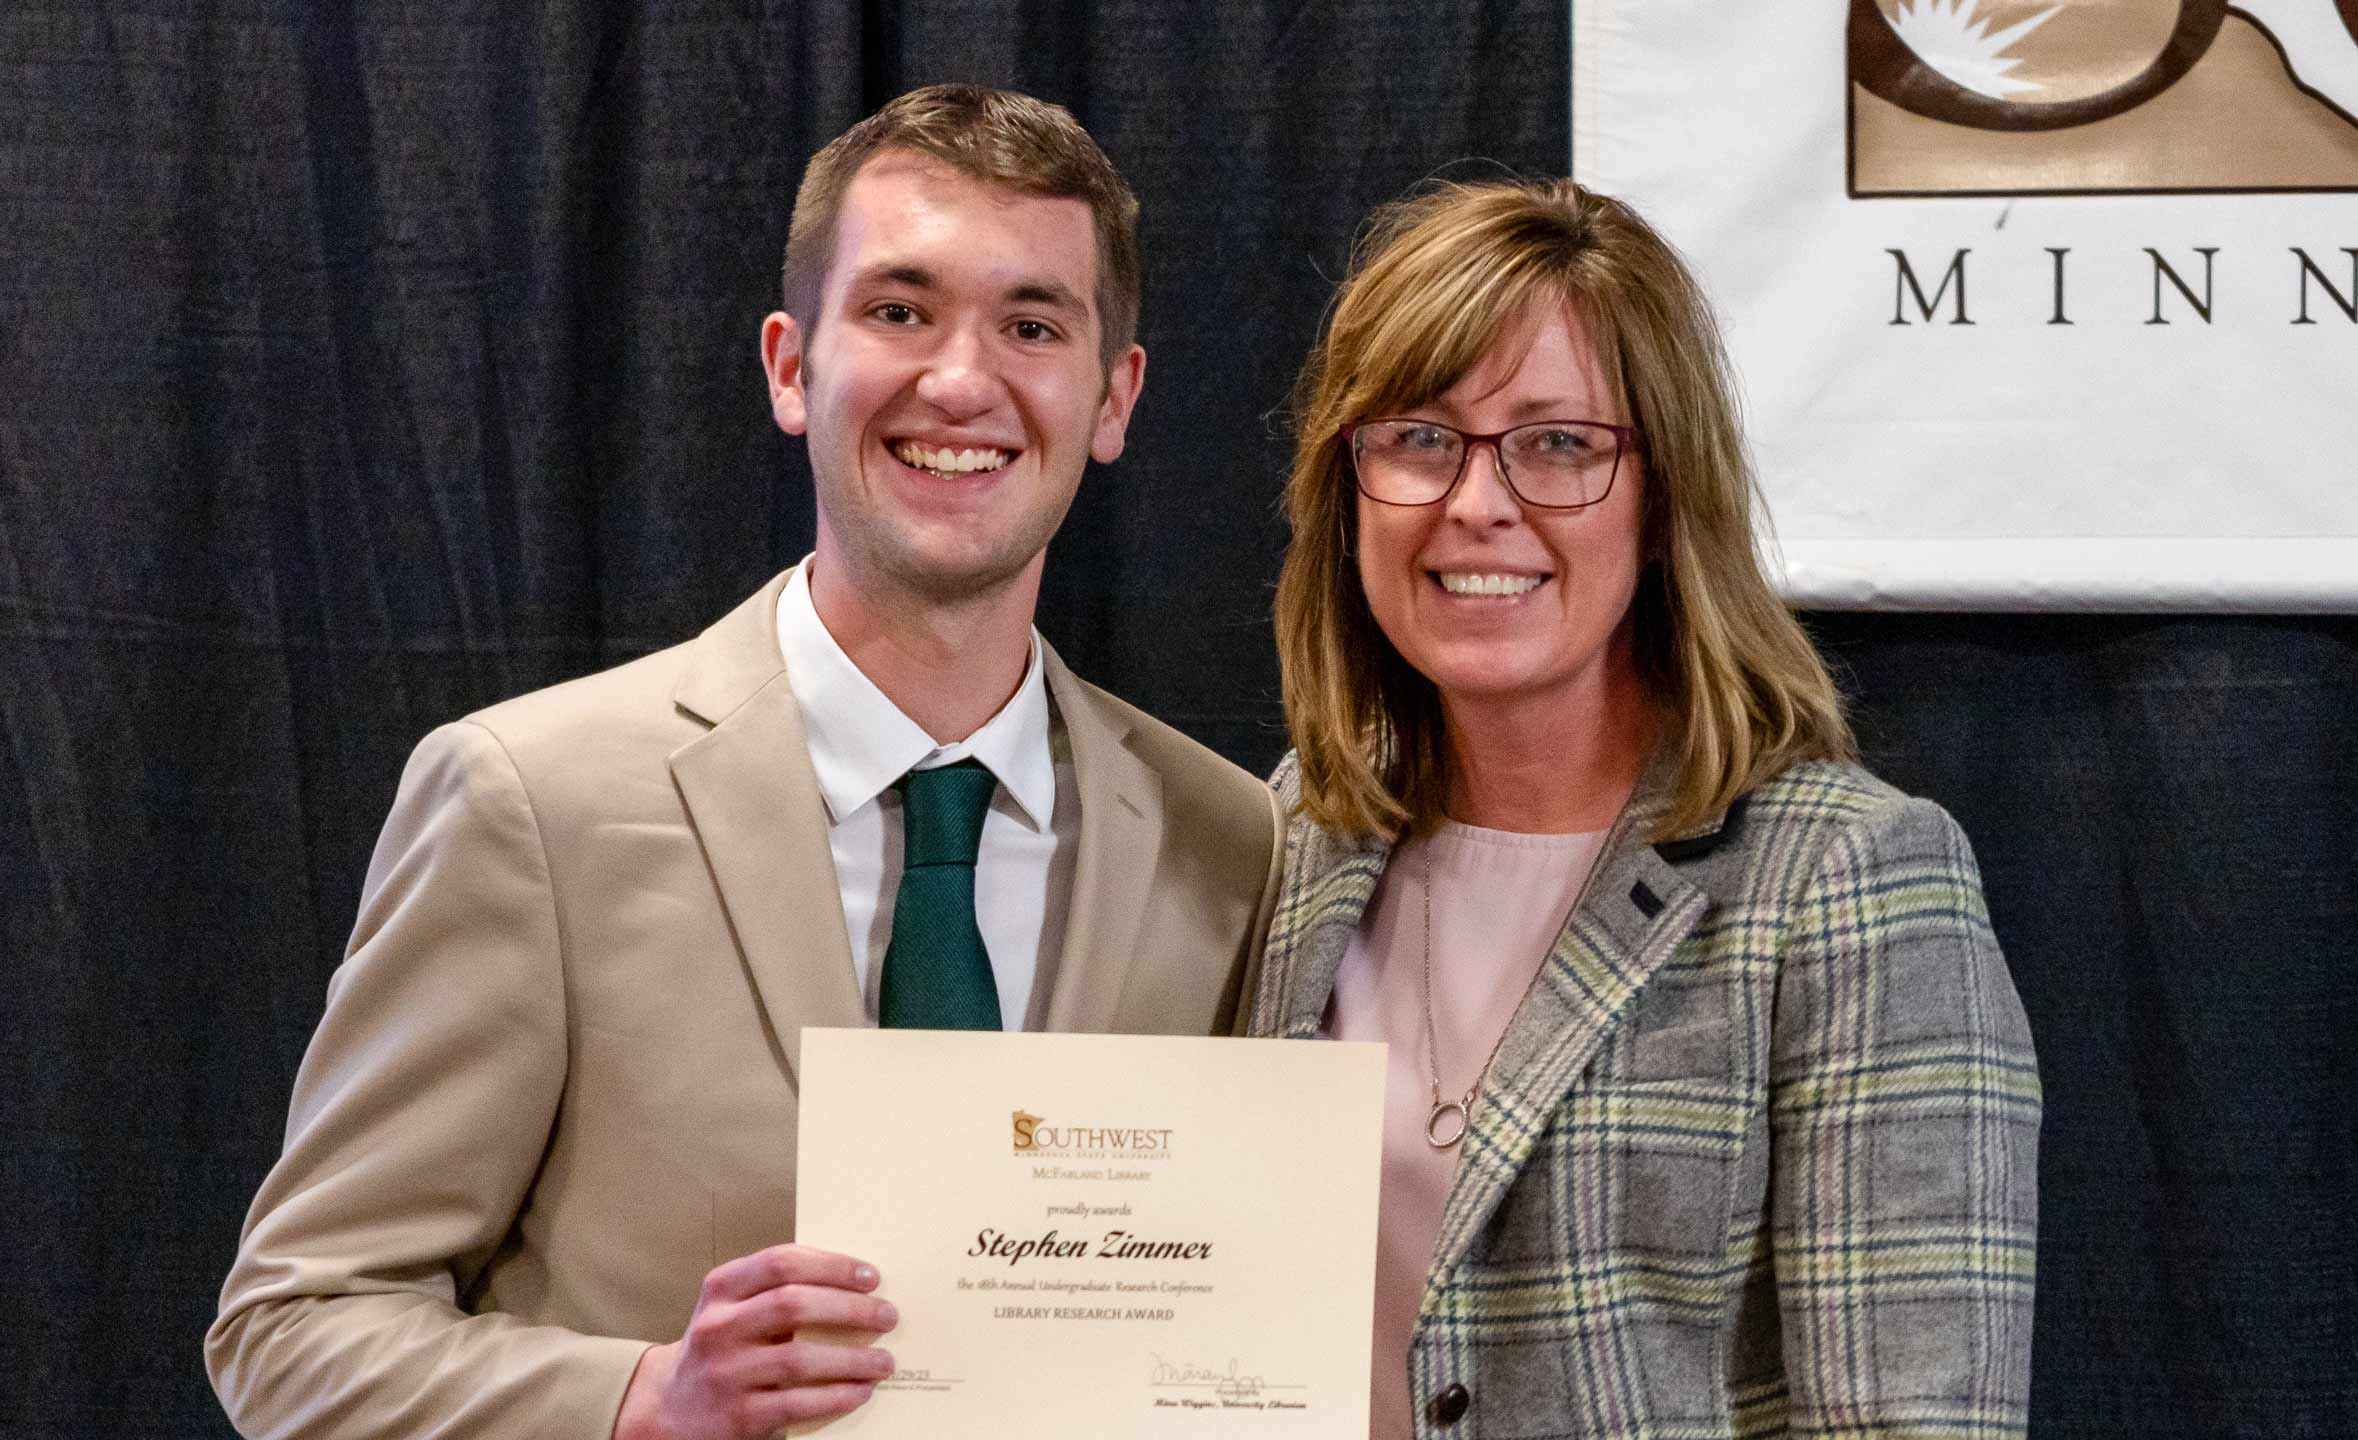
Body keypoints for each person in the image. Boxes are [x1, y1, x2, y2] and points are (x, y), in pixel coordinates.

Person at [206, 85, 1282, 1440]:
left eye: (1031, 324)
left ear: (1112, 396)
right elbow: (291, 1330)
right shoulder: (533, 803)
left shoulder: (1228, 844)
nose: (960, 379)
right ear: (790, 365)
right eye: (898, 311)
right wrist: (637, 1400)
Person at [1249, 179, 2040, 1438]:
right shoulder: (1294, 840)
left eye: (1558, 443)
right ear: (1348, 487)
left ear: (1665, 500)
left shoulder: (1850, 881)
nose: (1477, 503)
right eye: (1418, 437)